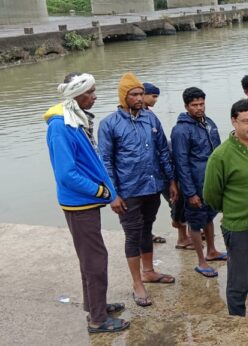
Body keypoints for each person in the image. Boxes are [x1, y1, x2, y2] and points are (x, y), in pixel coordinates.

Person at [44, 72, 129, 333]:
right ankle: (97, 319)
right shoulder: (60, 126)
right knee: (95, 259)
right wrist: (104, 193)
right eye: (90, 92)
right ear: (75, 95)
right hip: (80, 203)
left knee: (89, 257)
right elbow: (67, 174)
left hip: (85, 202)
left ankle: (95, 305)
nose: (94, 96)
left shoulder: (74, 120)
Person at [98, 72, 178, 308]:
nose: (140, 98)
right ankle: (137, 283)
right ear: (124, 97)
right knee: (132, 235)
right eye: (134, 94)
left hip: (152, 186)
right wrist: (113, 194)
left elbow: (163, 150)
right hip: (128, 190)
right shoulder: (109, 124)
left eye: (142, 93)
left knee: (147, 229)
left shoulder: (150, 120)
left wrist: (171, 181)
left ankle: (149, 271)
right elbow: (106, 161)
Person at [203, 99, 248, 317]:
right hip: (240, 228)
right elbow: (211, 195)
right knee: (239, 282)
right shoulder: (221, 156)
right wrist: (236, 210)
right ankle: (236, 321)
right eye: (246, 121)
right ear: (234, 121)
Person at [170, 87, 227, 278]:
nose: (199, 108)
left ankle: (212, 251)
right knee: (195, 223)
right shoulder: (181, 130)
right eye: (195, 105)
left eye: (202, 104)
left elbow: (219, 152)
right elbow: (181, 163)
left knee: (209, 216)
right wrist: (190, 192)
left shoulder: (209, 123)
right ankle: (201, 260)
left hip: (211, 182)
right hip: (194, 183)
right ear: (186, 106)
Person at [142, 82, 189, 248]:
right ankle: (182, 237)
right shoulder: (143, 117)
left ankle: (186, 233)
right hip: (153, 169)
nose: (155, 100)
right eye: (153, 96)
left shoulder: (149, 115)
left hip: (158, 166)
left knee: (172, 200)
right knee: (175, 199)